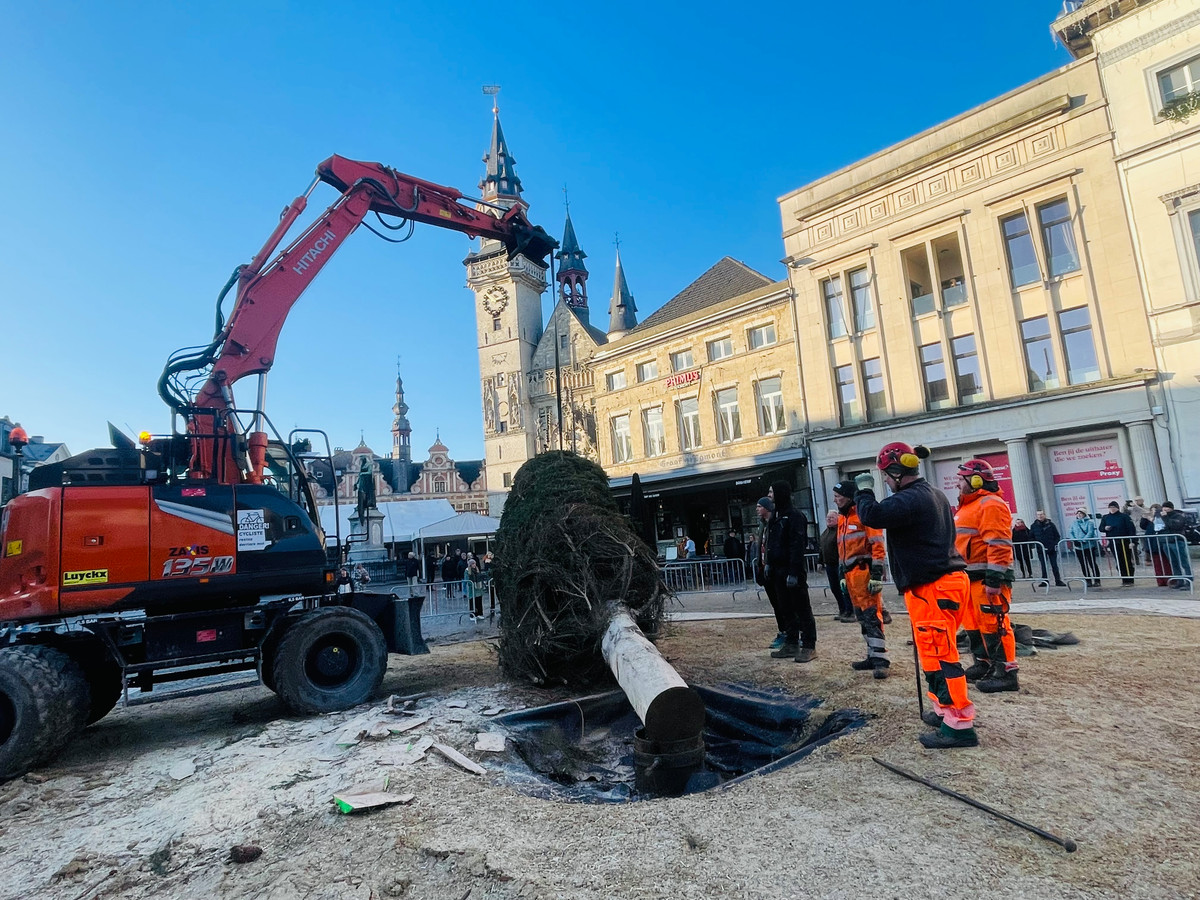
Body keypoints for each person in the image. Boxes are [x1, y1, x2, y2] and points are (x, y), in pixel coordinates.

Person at [855, 441, 978, 749]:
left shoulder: (910, 499)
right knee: (933, 653)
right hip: (938, 584)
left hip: (933, 586)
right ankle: (944, 711)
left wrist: (864, 491)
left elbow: (872, 515)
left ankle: (960, 724)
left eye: (885, 475)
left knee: (943, 655)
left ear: (897, 472)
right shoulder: (933, 494)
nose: (884, 480)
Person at [953, 459, 1019, 693]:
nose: (958, 483)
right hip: (970, 577)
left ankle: (1006, 672)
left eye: (961, 479)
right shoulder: (968, 506)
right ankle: (984, 663)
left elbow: (999, 544)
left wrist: (994, 579)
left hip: (987, 579)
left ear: (976, 480)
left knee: (994, 623)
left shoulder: (990, 503)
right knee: (972, 622)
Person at [832, 481, 889, 678]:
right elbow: (841, 549)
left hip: (863, 572)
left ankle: (881, 659)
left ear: (848, 497)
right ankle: (872, 655)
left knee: (872, 615)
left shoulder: (863, 515)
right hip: (850, 575)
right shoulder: (843, 518)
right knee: (862, 617)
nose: (835, 500)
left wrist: (876, 574)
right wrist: (841, 574)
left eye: (838, 496)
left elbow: (877, 545)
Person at [766, 482, 818, 663]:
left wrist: (794, 572)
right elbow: (772, 543)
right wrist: (768, 564)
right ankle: (791, 642)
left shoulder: (795, 516)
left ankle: (809, 645)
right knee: (785, 608)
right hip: (778, 571)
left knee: (802, 608)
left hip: (791, 570)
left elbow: (797, 545)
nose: (769, 494)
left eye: (771, 491)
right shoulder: (776, 516)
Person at [755, 497, 788, 650]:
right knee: (775, 604)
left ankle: (789, 631)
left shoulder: (775, 524)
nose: (757, 509)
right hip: (765, 569)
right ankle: (782, 630)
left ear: (767, 508)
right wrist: (759, 567)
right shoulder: (762, 526)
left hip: (776, 569)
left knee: (784, 603)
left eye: (759, 506)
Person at [820, 508, 854, 621]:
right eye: (828, 517)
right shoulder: (825, 533)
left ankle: (850, 611)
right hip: (829, 565)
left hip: (839, 564)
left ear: (838, 519)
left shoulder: (840, 531)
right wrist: (820, 561)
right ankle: (842, 610)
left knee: (844, 588)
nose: (829, 519)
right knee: (834, 588)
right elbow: (822, 548)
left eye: (832, 517)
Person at [1099, 501, 1137, 585]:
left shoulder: (1124, 517)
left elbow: (1131, 529)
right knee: (1118, 561)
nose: (1112, 509)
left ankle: (1130, 579)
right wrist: (1105, 528)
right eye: (1110, 507)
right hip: (1113, 542)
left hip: (1124, 541)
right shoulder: (1105, 517)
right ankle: (1124, 578)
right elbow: (1101, 528)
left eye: (1114, 507)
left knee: (1127, 560)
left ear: (1117, 508)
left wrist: (1133, 541)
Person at [1161, 502, 1193, 589]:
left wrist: (1165, 517)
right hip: (1167, 541)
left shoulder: (1178, 516)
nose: (1164, 509)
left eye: (1166, 507)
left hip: (1177, 541)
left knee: (1183, 562)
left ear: (1171, 508)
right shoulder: (1162, 517)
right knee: (1173, 563)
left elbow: (1175, 526)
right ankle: (1179, 580)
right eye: (1163, 507)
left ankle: (1189, 581)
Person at [1030, 510, 1067, 587]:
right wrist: (1035, 544)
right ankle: (1045, 581)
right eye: (1038, 515)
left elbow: (1057, 536)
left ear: (1044, 515)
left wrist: (1054, 544)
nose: (1040, 516)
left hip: (1051, 548)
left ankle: (1058, 580)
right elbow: (1031, 537)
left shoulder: (1051, 525)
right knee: (1043, 565)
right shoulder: (1034, 526)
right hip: (1041, 549)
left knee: (1054, 565)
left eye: (1041, 514)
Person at [1069, 509, 1101, 588]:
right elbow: (1071, 532)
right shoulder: (1074, 523)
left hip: (1088, 546)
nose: (1079, 515)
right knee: (1083, 564)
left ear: (1084, 514)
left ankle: (1097, 580)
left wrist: (1083, 541)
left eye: (1081, 513)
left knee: (1092, 563)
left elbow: (1090, 532)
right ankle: (1088, 580)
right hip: (1078, 547)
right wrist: (1074, 541)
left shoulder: (1089, 523)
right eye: (1078, 513)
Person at [1139, 504, 1170, 587]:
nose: (1153, 512)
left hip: (1161, 542)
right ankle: (1160, 580)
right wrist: (1144, 518)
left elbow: (1161, 526)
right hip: (1152, 543)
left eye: (1155, 510)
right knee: (1156, 563)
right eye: (1152, 510)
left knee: (1166, 562)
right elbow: (1143, 526)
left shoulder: (1161, 518)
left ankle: (1169, 579)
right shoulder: (1149, 520)